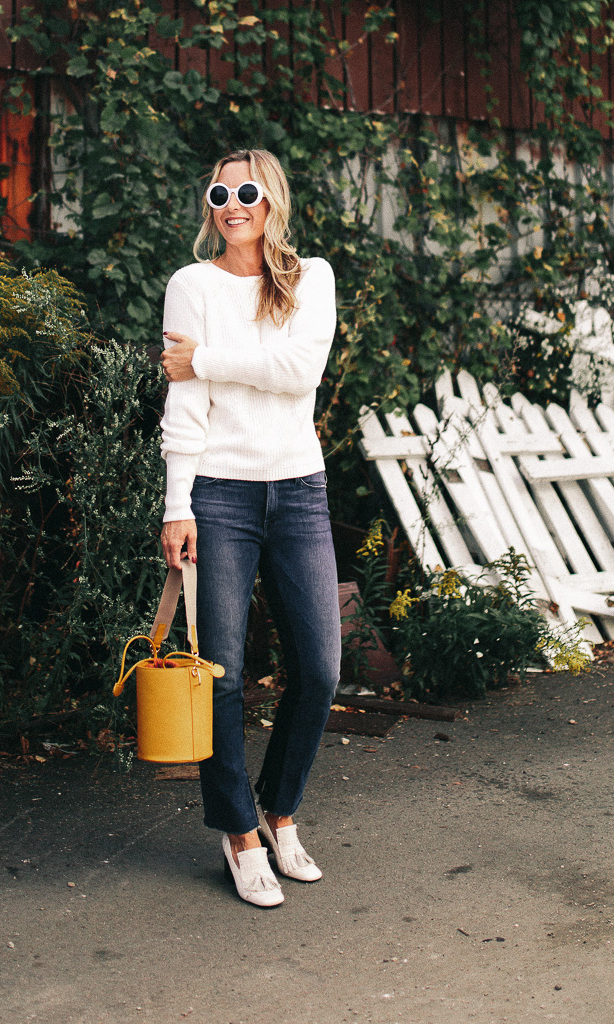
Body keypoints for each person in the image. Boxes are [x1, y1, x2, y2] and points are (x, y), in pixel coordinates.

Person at [159, 148, 340, 908]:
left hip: (298, 489)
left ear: (272, 200)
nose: (232, 204)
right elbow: (185, 404)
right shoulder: (191, 286)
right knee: (224, 674)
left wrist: (208, 359)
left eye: (247, 191)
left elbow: (301, 373)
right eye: (220, 192)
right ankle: (239, 834)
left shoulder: (312, 279)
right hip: (220, 496)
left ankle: (281, 811)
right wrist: (177, 504)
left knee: (322, 668)